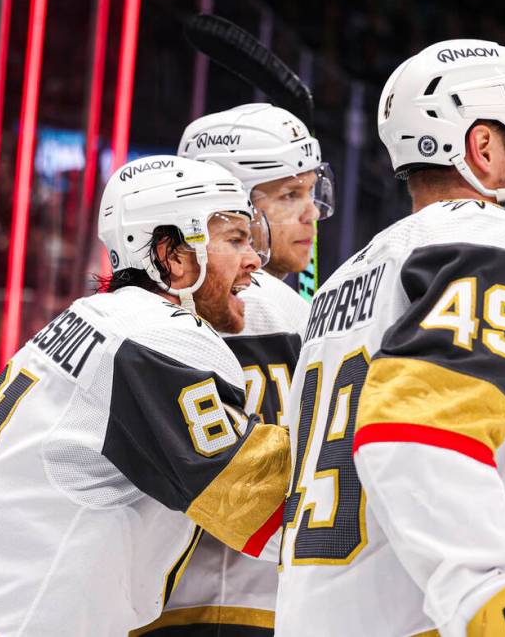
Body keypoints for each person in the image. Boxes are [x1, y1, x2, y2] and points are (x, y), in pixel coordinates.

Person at [0, 156, 291, 636]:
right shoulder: (160, 338)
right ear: (173, 253)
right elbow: (257, 499)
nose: (254, 260)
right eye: (234, 240)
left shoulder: (94, 319)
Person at [276, 38, 505, 637]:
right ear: (482, 148)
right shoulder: (495, 239)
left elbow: (358, 459)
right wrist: (482, 593)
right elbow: (414, 432)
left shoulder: (343, 281)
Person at [128, 104, 335, 637]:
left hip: (151, 605)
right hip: (256, 604)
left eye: (312, 192)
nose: (311, 213)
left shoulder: (143, 303)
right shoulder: (279, 310)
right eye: (290, 196)